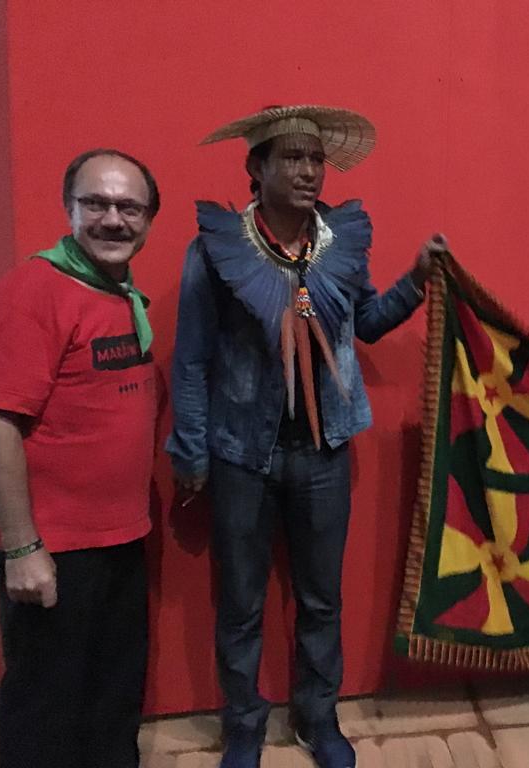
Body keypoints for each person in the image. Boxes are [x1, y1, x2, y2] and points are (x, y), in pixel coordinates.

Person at [166, 104, 447, 768]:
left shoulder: (338, 245)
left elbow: (367, 321)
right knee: (240, 603)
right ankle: (243, 726)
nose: (309, 171)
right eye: (292, 157)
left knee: (322, 600)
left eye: (317, 159)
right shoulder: (215, 249)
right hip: (242, 455)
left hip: (324, 456)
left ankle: (318, 718)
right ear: (256, 167)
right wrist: (193, 449)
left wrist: (416, 281)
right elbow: (192, 358)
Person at [0, 149, 161, 768]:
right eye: (96, 204)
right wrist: (23, 547)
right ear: (69, 209)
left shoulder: (117, 294)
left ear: (148, 219)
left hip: (120, 542)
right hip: (54, 550)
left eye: (129, 207)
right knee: (44, 714)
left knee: (112, 702)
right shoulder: (32, 292)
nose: (113, 220)